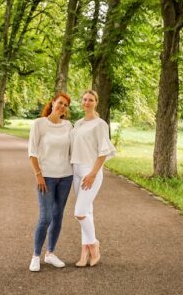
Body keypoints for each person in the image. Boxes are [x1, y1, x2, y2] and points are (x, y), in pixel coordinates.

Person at [28, 92, 73, 272]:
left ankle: (51, 253)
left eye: (66, 105)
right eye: (60, 103)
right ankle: (36, 256)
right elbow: (32, 152)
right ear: (53, 103)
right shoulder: (39, 124)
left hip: (66, 176)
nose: (62, 106)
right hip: (46, 178)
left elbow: (75, 149)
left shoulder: (68, 125)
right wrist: (38, 174)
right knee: (45, 217)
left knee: (58, 216)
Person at [70, 89, 116, 267]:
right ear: (81, 102)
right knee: (87, 212)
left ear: (96, 102)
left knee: (79, 212)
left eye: (90, 100)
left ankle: (94, 245)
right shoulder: (78, 123)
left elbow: (103, 152)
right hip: (76, 170)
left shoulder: (100, 124)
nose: (87, 102)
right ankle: (84, 253)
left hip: (91, 170)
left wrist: (93, 173)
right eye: (84, 99)